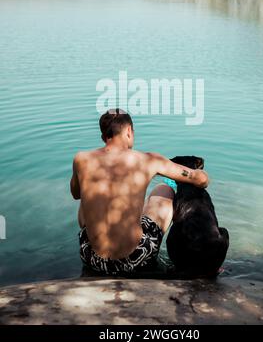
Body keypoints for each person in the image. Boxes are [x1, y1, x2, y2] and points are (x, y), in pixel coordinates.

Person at [70, 108, 209, 275]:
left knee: (88, 198)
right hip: (135, 259)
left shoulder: (81, 158)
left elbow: (76, 194)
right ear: (129, 131)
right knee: (164, 189)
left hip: (92, 258)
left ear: (103, 137)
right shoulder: (148, 160)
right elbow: (199, 179)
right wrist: (202, 174)